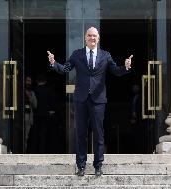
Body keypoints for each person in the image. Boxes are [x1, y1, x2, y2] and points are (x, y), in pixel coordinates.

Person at [47, 27, 132, 176]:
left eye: (94, 36)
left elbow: (116, 71)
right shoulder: (77, 54)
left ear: (98, 39)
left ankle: (98, 165)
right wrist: (54, 63)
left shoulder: (105, 55)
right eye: (89, 36)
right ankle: (81, 166)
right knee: (80, 133)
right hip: (80, 99)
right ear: (85, 38)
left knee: (99, 134)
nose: (92, 38)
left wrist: (125, 67)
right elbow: (66, 68)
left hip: (98, 100)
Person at [24, 76, 37, 152]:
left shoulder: (32, 92)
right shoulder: (19, 91)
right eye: (27, 80)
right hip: (18, 117)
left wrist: (30, 97)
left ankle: (24, 151)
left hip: (28, 116)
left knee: (26, 136)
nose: (28, 82)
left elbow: (35, 105)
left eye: (30, 81)